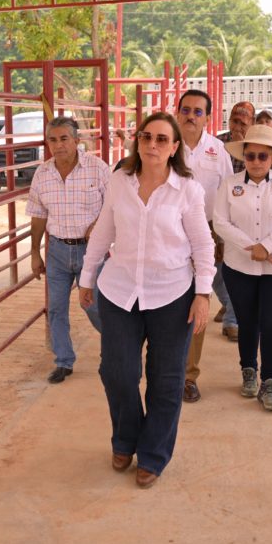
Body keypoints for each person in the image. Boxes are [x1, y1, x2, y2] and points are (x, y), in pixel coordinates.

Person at [78, 112, 215, 489]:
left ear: (174, 148)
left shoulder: (188, 189)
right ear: (137, 141)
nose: (152, 144)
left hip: (172, 293)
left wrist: (203, 294)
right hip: (120, 291)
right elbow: (103, 231)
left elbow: (202, 245)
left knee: (166, 379)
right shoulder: (119, 181)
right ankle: (125, 438)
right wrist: (87, 278)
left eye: (161, 139)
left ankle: (153, 453)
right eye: (146, 137)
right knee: (117, 373)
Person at [213, 126, 272, 411]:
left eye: (262, 156)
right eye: (250, 155)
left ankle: (270, 381)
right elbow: (220, 222)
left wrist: (268, 245)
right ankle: (248, 370)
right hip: (239, 266)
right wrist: (253, 247)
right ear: (244, 156)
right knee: (247, 321)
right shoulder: (229, 184)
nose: (255, 161)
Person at [27, 116, 111, 383]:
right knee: (56, 308)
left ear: (76, 140)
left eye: (64, 138)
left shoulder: (97, 169)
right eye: (52, 140)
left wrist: (98, 225)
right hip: (57, 251)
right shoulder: (42, 174)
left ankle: (115, 349)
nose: (59, 145)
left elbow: (115, 205)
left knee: (94, 306)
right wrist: (34, 252)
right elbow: (38, 216)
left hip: (92, 251)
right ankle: (63, 361)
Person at [175, 90, 235, 403]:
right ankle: (164, 370)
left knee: (198, 301)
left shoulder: (217, 150)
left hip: (206, 233)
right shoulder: (166, 144)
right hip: (169, 233)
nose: (191, 116)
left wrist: (221, 237)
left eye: (198, 112)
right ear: (177, 112)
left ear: (208, 118)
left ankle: (188, 376)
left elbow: (227, 194)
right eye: (186, 110)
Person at [219, 101, 256, 173]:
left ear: (252, 123)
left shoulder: (258, 145)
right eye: (235, 121)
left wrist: (241, 148)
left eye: (243, 124)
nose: (237, 128)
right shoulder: (218, 142)